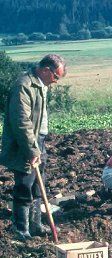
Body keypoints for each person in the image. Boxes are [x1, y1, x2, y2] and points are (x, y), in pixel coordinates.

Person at [0, 54, 67, 241]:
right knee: (24, 185)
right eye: (56, 77)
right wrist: (31, 150)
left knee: (38, 184)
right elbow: (21, 122)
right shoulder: (24, 85)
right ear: (46, 70)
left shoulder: (41, 84)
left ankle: (36, 225)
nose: (55, 82)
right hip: (25, 142)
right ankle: (21, 230)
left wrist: (38, 147)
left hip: (39, 140)